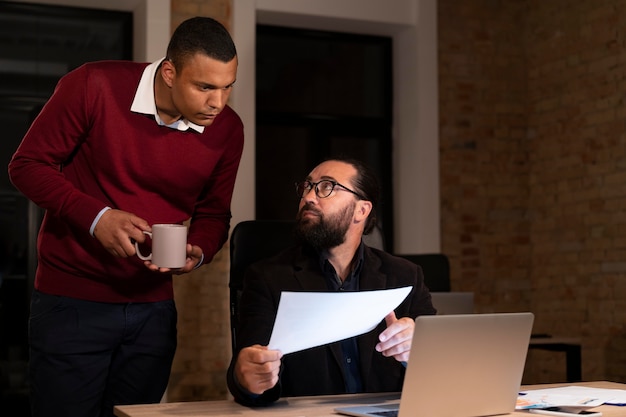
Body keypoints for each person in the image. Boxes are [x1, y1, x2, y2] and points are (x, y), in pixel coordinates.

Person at [7, 16, 243, 417]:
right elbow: (27, 165)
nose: (217, 103)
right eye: (204, 87)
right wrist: (97, 217)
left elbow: (215, 213)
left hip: (153, 310)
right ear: (170, 72)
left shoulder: (228, 130)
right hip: (72, 302)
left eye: (226, 87)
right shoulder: (92, 85)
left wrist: (199, 250)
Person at [226, 158, 436, 407]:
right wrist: (248, 378)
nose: (308, 198)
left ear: (362, 210)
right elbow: (247, 372)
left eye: (326, 187)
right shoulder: (268, 278)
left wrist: (418, 353)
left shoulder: (405, 276)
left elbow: (441, 370)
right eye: (307, 187)